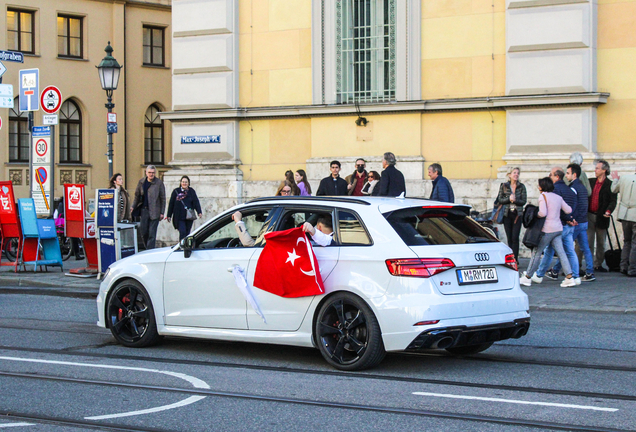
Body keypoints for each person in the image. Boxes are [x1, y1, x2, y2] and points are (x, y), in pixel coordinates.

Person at [520, 177, 575, 288]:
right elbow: (569, 210)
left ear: (542, 186)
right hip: (558, 229)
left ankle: (527, 277)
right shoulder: (558, 197)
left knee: (537, 252)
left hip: (546, 230)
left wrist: (535, 214)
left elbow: (543, 213)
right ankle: (569, 277)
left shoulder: (543, 196)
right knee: (561, 253)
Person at [534, 167, 580, 285]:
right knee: (569, 251)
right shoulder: (570, 189)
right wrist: (571, 218)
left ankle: (539, 274)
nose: (549, 178)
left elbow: (556, 210)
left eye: (551, 175)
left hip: (558, 225)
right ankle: (575, 276)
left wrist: (567, 219)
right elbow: (571, 207)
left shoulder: (555, 191)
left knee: (548, 251)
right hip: (569, 225)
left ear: (557, 177)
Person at [586, 159, 617, 272]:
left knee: (601, 242)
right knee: (588, 241)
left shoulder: (610, 184)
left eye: (597, 168)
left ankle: (598, 264)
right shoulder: (590, 182)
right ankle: (589, 264)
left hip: (602, 216)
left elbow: (613, 201)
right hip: (589, 215)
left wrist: (609, 210)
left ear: (604, 170)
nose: (595, 170)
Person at [131, 165, 166, 250]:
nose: (151, 174)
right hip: (144, 211)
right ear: (146, 173)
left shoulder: (159, 183)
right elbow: (137, 196)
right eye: (149, 172)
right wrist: (133, 206)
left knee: (152, 234)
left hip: (155, 211)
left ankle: (149, 251)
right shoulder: (141, 182)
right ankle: (148, 249)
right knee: (143, 232)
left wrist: (162, 212)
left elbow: (163, 198)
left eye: (153, 173)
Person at [496, 167, 527, 261]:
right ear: (509, 175)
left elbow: (524, 201)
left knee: (515, 237)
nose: (516, 175)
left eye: (517, 173)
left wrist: (516, 200)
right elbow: (500, 199)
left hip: (517, 214)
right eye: (514, 173)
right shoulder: (504, 186)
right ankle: (511, 259)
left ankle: (515, 259)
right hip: (507, 214)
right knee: (509, 237)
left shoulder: (521, 186)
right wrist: (509, 199)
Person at [610, 168, 636, 276]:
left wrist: (615, 179)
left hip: (624, 215)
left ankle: (623, 266)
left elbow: (613, 189)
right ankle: (632, 269)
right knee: (635, 243)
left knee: (627, 242)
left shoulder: (625, 178)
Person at [166, 175, 203, 241]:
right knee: (182, 232)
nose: (184, 183)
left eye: (186, 182)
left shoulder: (191, 191)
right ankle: (182, 247)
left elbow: (196, 202)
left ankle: (187, 248)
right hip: (179, 216)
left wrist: (199, 212)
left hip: (189, 216)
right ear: (180, 183)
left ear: (188, 183)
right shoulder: (176, 191)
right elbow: (171, 204)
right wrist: (169, 215)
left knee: (187, 233)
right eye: (183, 182)